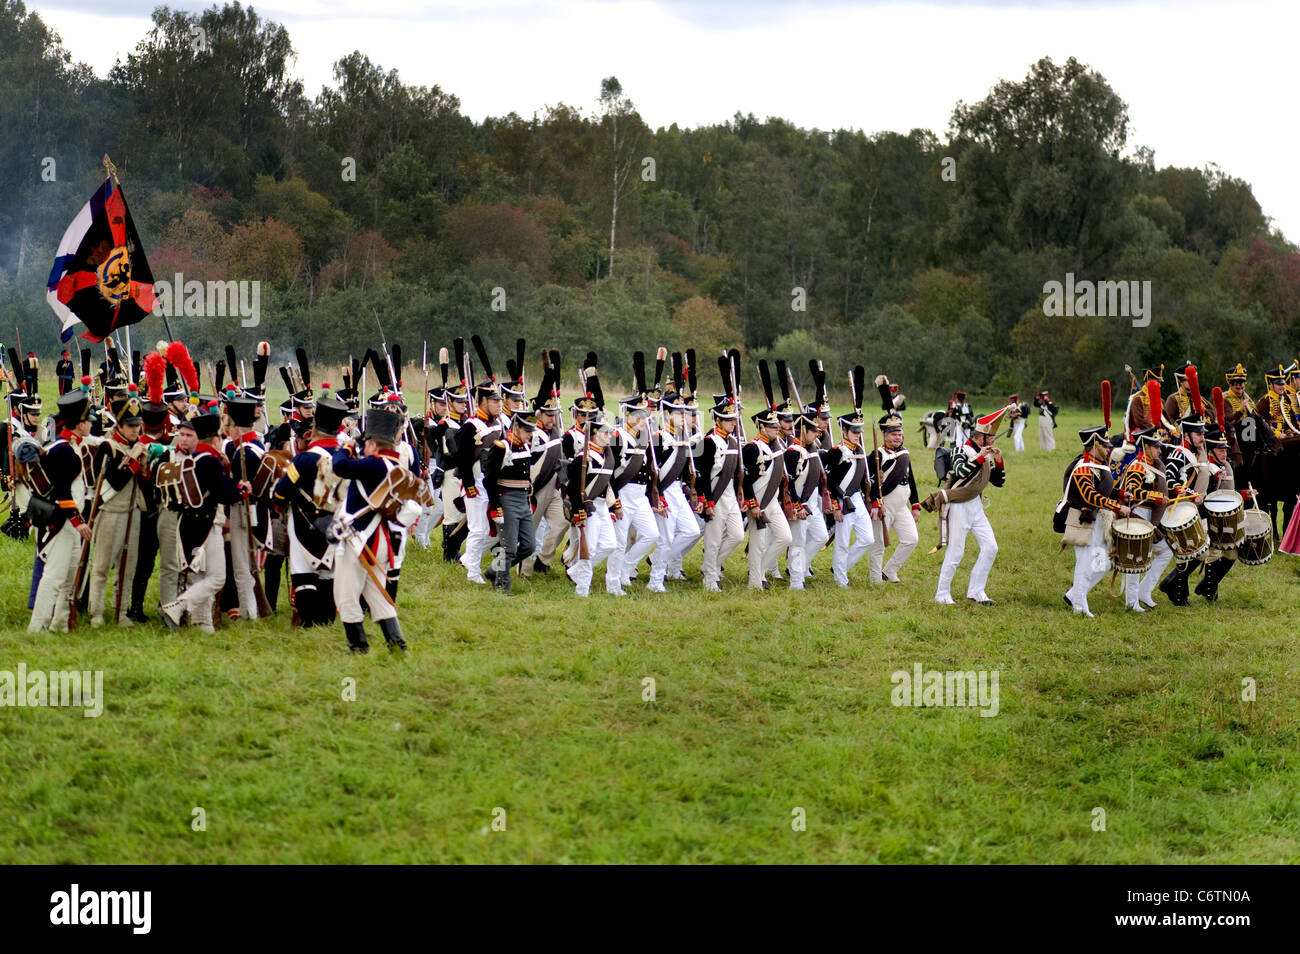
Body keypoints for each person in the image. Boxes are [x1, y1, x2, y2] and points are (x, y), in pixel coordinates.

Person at [328, 407, 410, 652]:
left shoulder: (375, 465)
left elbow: (340, 466)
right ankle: (397, 645)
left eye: (366, 444)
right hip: (380, 539)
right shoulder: (395, 465)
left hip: (362, 541)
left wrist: (347, 448)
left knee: (345, 594)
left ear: (373, 444)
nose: (363, 448)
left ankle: (358, 646)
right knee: (376, 594)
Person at [160, 403, 245, 634]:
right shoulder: (210, 461)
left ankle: (203, 624)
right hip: (208, 524)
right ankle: (178, 606)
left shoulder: (194, 459)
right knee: (217, 578)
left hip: (188, 523)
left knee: (199, 578)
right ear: (215, 438)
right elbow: (222, 494)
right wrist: (241, 491)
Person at [272, 396, 350, 626]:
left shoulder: (304, 459)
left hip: (304, 526)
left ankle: (308, 622)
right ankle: (325, 622)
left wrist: (278, 504)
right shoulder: (345, 458)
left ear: (314, 430)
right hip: (337, 527)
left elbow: (281, 493)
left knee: (303, 571)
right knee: (329, 573)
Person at [27, 388, 95, 632]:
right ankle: (38, 627)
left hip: (66, 522)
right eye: (88, 421)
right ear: (79, 424)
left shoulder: (64, 445)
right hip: (61, 522)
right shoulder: (65, 450)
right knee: (55, 577)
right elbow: (63, 493)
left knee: (69, 578)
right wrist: (79, 522)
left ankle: (60, 623)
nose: (90, 425)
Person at [925, 406, 1008, 605]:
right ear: (981, 438)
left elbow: (999, 481)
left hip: (976, 507)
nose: (993, 441)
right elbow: (961, 472)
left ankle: (976, 591)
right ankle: (942, 594)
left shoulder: (984, 454)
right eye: (991, 438)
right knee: (956, 552)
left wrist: (998, 461)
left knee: (991, 547)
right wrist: (980, 456)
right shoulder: (961, 450)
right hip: (959, 506)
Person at [86, 387, 148, 626]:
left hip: (133, 511)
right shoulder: (107, 447)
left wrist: (142, 463)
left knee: (127, 568)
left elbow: (142, 479)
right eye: (131, 425)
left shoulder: (137, 446)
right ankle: (97, 613)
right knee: (102, 565)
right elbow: (114, 481)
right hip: (110, 511)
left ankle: (121, 612)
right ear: (120, 425)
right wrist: (133, 458)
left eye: (137, 425)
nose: (136, 430)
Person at [1060, 426, 1131, 617]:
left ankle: (1074, 594)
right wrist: (1118, 507)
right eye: (1105, 446)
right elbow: (1091, 496)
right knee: (1084, 564)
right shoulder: (1083, 467)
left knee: (1104, 563)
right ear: (1094, 445)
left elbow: (1104, 490)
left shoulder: (1097, 464)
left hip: (1099, 520)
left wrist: (1121, 494)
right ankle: (1080, 607)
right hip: (1083, 520)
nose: (1109, 449)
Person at [647, 389, 702, 591]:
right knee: (666, 538)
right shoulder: (659, 438)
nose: (683, 417)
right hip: (664, 491)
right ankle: (655, 581)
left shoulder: (683, 437)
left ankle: (656, 560)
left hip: (678, 490)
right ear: (667, 415)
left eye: (684, 413)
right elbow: (653, 473)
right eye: (678, 413)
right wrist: (658, 496)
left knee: (692, 531)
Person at [482, 410, 537, 594]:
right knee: (509, 547)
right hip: (506, 499)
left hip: (523, 499)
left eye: (531, 430)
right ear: (516, 427)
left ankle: (494, 569)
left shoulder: (525, 446)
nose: (530, 434)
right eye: (527, 430)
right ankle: (501, 585)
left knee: (529, 545)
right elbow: (489, 479)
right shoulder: (502, 447)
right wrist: (496, 506)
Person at [565, 421, 621, 597]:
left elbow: (607, 482)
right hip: (589, 506)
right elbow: (573, 487)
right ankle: (582, 589)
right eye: (605, 434)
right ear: (595, 435)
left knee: (610, 544)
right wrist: (578, 510)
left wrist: (615, 504)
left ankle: (575, 572)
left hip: (603, 505)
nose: (609, 437)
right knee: (589, 549)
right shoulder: (583, 458)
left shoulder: (606, 456)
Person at [457, 381, 504, 584]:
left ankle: (469, 558)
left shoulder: (498, 423)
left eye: (499, 400)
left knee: (495, 530)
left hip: (493, 483)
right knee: (478, 529)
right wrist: (468, 485)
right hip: (475, 483)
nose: (498, 404)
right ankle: (473, 572)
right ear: (482, 401)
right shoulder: (470, 426)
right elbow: (464, 459)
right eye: (494, 401)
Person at [1118, 428, 1170, 611]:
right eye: (1156, 447)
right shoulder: (1138, 466)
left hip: (1148, 516)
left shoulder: (1152, 465)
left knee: (1165, 552)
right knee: (1136, 557)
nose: (1159, 451)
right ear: (1146, 447)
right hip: (1136, 514)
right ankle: (1131, 602)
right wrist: (1155, 496)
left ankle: (1144, 591)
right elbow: (1131, 493)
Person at [695, 397, 744, 593]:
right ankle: (709, 579)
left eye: (734, 419)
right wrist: (707, 501)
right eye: (729, 419)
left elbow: (736, 471)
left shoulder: (733, 441)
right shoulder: (709, 442)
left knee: (737, 536)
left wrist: (740, 490)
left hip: (731, 495)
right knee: (713, 541)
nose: (734, 422)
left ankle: (711, 566)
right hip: (715, 496)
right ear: (718, 420)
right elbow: (703, 475)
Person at [867, 412, 921, 583]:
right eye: (893, 434)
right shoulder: (877, 455)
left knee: (911, 539)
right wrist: (876, 502)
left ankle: (890, 570)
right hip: (884, 504)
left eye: (899, 434)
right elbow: (868, 482)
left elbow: (910, 478)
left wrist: (915, 505)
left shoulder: (904, 453)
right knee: (879, 544)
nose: (898, 437)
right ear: (885, 435)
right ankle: (875, 579)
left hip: (902, 506)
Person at [742, 407, 791, 590]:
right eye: (771, 426)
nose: (776, 429)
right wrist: (753, 505)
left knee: (785, 537)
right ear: (761, 427)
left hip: (772, 502)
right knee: (758, 544)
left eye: (776, 425)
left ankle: (759, 571)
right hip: (757, 504)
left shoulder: (775, 446)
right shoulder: (752, 448)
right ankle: (755, 583)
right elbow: (745, 480)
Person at [824, 411, 874, 587]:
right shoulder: (837, 452)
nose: (858, 435)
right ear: (844, 432)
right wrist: (836, 506)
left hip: (857, 499)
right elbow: (829, 482)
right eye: (854, 431)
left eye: (859, 431)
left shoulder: (860, 450)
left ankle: (841, 567)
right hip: (842, 500)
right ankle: (840, 579)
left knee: (868, 538)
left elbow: (863, 480)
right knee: (843, 542)